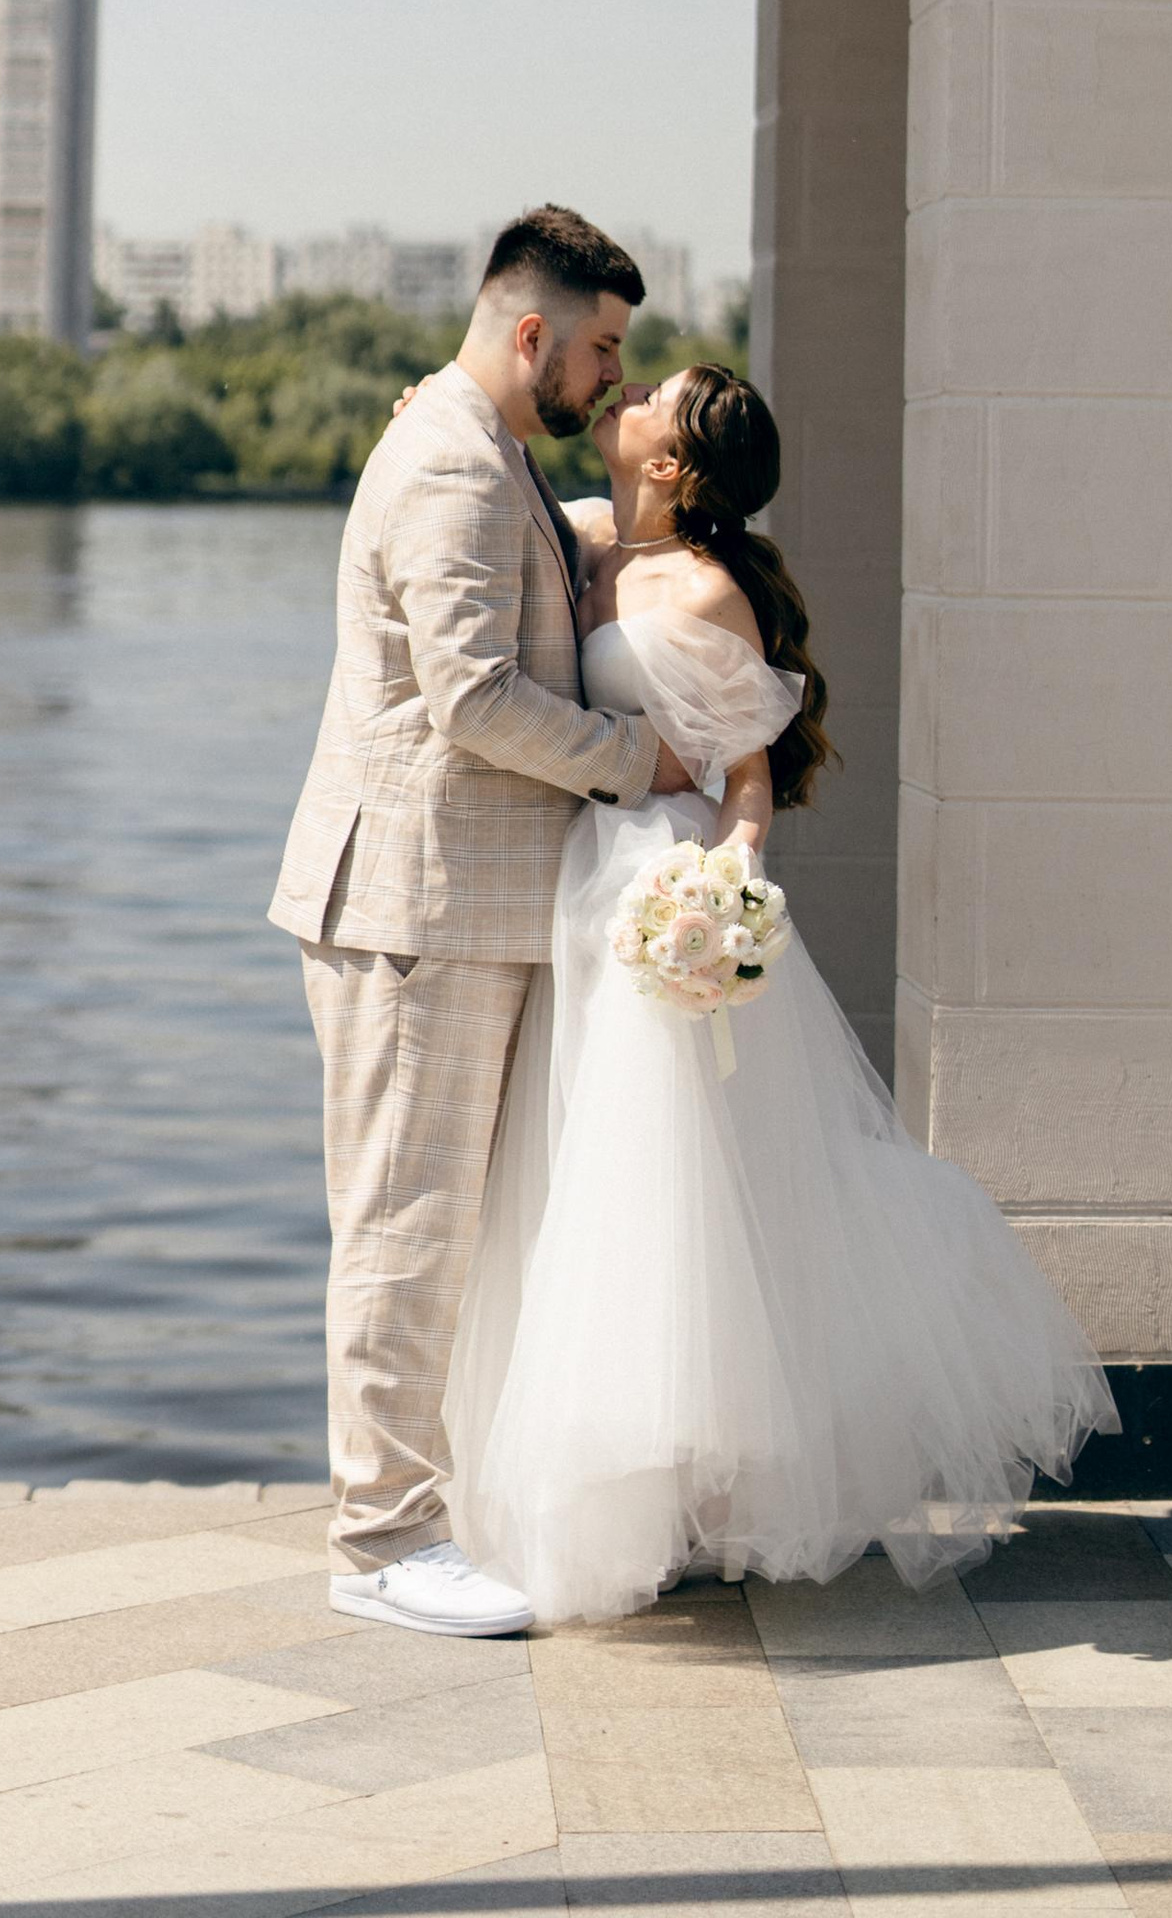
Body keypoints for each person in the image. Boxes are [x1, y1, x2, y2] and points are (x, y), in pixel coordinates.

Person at [440, 359, 1117, 1629]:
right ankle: (625, 1483)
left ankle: (689, 1490)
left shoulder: (708, 591)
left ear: (675, 462)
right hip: (586, 892)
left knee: (676, 1185)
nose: (623, 391)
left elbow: (746, 771)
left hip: (668, 898)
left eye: (649, 392)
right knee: (583, 1166)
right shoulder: (585, 546)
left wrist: (729, 883)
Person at [268, 204, 695, 1638]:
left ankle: (426, 1510)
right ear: (533, 332)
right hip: (414, 905)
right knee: (405, 1225)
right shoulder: (452, 461)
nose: (612, 380)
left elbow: (547, 556)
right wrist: (643, 763)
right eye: (604, 350)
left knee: (443, 1227)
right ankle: (382, 1540)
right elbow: (472, 697)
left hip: (464, 905)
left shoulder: (483, 449)